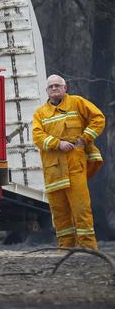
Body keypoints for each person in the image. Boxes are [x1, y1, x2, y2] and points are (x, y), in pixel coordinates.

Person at [32, 75, 104, 249]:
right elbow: (37, 136)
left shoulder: (77, 103)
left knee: (81, 210)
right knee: (60, 213)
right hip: (54, 171)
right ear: (47, 92)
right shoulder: (40, 113)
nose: (54, 88)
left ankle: (89, 249)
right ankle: (66, 250)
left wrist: (85, 138)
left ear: (65, 88)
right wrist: (58, 143)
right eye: (51, 87)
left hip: (74, 167)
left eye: (58, 85)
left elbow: (98, 119)